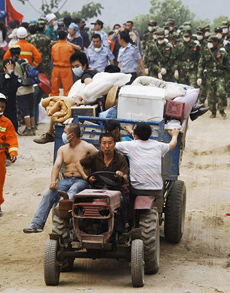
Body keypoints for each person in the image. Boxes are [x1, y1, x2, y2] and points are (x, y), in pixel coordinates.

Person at [23, 123, 98, 233]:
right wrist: (53, 181)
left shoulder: (87, 147)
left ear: (71, 135)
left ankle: (60, 207)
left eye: (65, 132)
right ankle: (36, 224)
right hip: (66, 180)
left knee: (73, 190)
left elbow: (101, 157)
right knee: (48, 194)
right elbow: (57, 166)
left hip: (81, 181)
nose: (63, 134)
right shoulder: (62, 149)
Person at [33, 51, 98, 144]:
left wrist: (79, 98)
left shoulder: (86, 75)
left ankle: (49, 135)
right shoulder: (94, 71)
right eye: (73, 66)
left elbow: (89, 85)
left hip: (85, 103)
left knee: (59, 105)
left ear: (84, 65)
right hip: (91, 102)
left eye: (77, 66)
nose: (75, 69)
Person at [116, 122, 179, 214]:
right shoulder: (158, 145)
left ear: (136, 135)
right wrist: (175, 135)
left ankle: (126, 215)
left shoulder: (130, 145)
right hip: (156, 189)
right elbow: (172, 144)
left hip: (137, 189)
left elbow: (110, 146)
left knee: (123, 190)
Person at [76, 132, 129, 233]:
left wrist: (121, 175)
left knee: (122, 201)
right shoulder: (95, 156)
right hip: (97, 188)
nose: (107, 146)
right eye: (104, 143)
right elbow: (78, 163)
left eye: (110, 143)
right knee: (81, 201)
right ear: (100, 145)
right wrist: (85, 177)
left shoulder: (121, 158)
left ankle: (120, 230)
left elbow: (126, 178)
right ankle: (83, 226)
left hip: (115, 189)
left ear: (114, 144)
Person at [197, 34, 230, 118]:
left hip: (219, 76)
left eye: (211, 42)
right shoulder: (206, 52)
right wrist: (199, 76)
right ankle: (213, 111)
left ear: (216, 42)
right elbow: (201, 64)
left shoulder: (222, 52)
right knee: (211, 95)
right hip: (209, 75)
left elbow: (228, 63)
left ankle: (222, 110)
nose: (209, 43)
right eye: (208, 42)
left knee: (221, 92)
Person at [9, 45, 37, 136]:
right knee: (31, 109)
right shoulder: (25, 61)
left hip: (21, 90)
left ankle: (28, 129)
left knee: (25, 110)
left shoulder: (13, 63)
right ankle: (33, 128)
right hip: (30, 88)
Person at [30, 19, 52, 127]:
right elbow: (49, 52)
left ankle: (35, 115)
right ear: (43, 28)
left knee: (34, 88)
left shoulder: (31, 38)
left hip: (34, 66)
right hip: (45, 66)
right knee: (45, 88)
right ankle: (44, 111)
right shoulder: (47, 38)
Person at [0, 93, 18, 216]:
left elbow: (12, 140)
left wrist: (12, 152)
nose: (0, 109)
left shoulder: (6, 122)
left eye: (2, 107)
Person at [50, 30, 75, 96]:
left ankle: (53, 103)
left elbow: (52, 58)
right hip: (66, 69)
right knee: (67, 89)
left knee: (54, 89)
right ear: (66, 37)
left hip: (56, 68)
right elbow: (73, 58)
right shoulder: (69, 46)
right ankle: (65, 104)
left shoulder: (54, 46)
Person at [0, 59, 21, 132]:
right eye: (8, 68)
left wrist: (11, 74)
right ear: (4, 68)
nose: (11, 69)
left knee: (12, 119)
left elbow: (16, 85)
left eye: (12, 68)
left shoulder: (16, 78)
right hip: (2, 102)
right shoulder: (1, 77)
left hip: (11, 104)